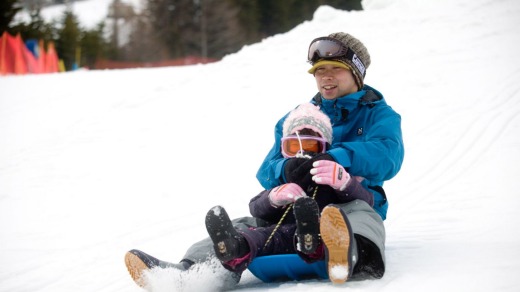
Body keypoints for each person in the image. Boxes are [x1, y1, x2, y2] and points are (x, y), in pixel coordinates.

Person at [125, 32, 404, 287]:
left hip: (353, 201)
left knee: (359, 215)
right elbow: (267, 169)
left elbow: (388, 154)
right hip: (299, 208)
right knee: (245, 225)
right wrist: (287, 170)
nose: (326, 77)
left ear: (357, 73)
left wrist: (336, 157)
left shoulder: (378, 115)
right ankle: (190, 274)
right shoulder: (300, 116)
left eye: (336, 69)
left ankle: (349, 255)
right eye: (319, 71)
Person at [204, 103, 374, 276]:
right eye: (293, 147)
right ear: (284, 150)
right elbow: (255, 207)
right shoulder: (285, 178)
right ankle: (234, 248)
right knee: (260, 236)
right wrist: (273, 198)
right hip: (282, 233)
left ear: (325, 148)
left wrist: (345, 183)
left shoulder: (330, 176)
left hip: (322, 232)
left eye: (311, 146)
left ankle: (313, 244)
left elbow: (366, 204)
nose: (301, 152)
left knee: (323, 234)